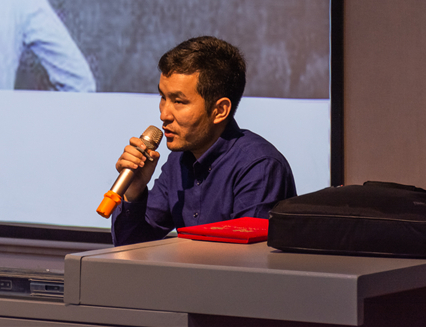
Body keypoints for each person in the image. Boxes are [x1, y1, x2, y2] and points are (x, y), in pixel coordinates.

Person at [111, 36, 296, 246]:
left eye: (179, 101)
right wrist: (134, 190)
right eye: (163, 97)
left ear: (220, 110)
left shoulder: (259, 166)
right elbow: (129, 247)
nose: (164, 114)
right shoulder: (178, 161)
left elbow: (248, 257)